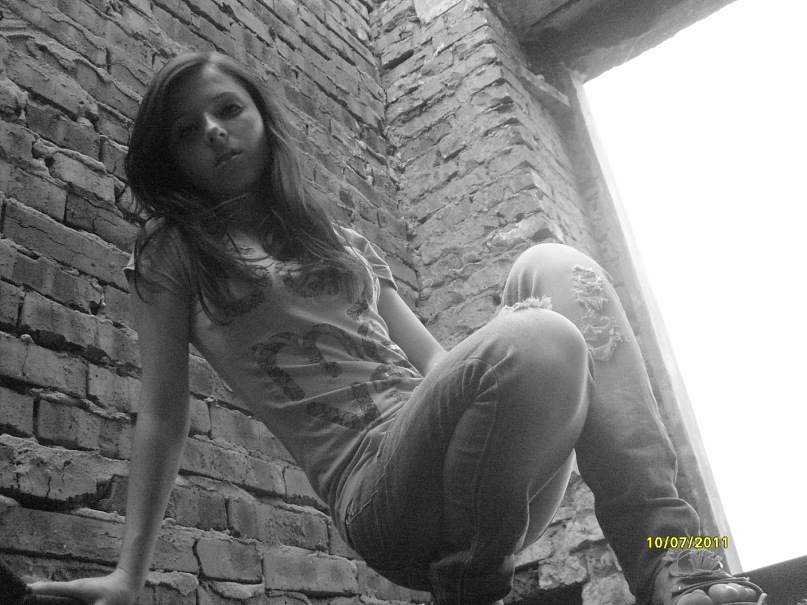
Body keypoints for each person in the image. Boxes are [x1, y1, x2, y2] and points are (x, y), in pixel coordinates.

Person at [29, 52, 765, 605]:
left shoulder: (339, 241)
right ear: (173, 157)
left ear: (263, 118)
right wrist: (128, 573)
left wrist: (524, 391)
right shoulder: (174, 251)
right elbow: (161, 416)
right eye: (188, 131)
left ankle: (682, 564)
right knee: (542, 337)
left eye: (228, 110)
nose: (214, 133)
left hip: (474, 468)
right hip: (381, 496)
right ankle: (470, 582)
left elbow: (434, 363)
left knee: (556, 265)